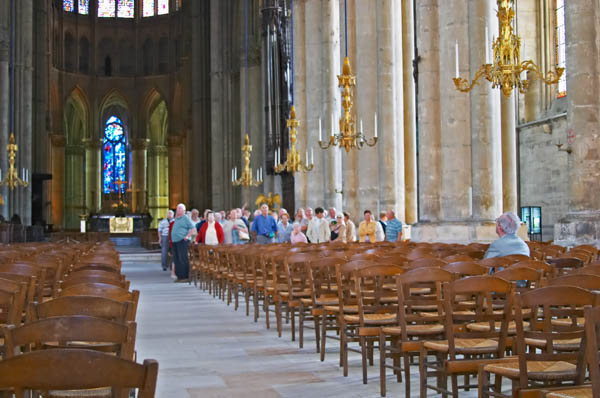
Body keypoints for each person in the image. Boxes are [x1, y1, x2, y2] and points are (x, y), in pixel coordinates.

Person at [171, 203, 196, 282]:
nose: (177, 210)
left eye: (179, 209)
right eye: (177, 208)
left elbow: (193, 229)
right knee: (177, 259)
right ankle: (179, 276)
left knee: (182, 258)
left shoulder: (185, 218)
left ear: (183, 210)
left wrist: (187, 236)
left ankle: (185, 276)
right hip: (175, 241)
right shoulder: (177, 218)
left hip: (182, 241)